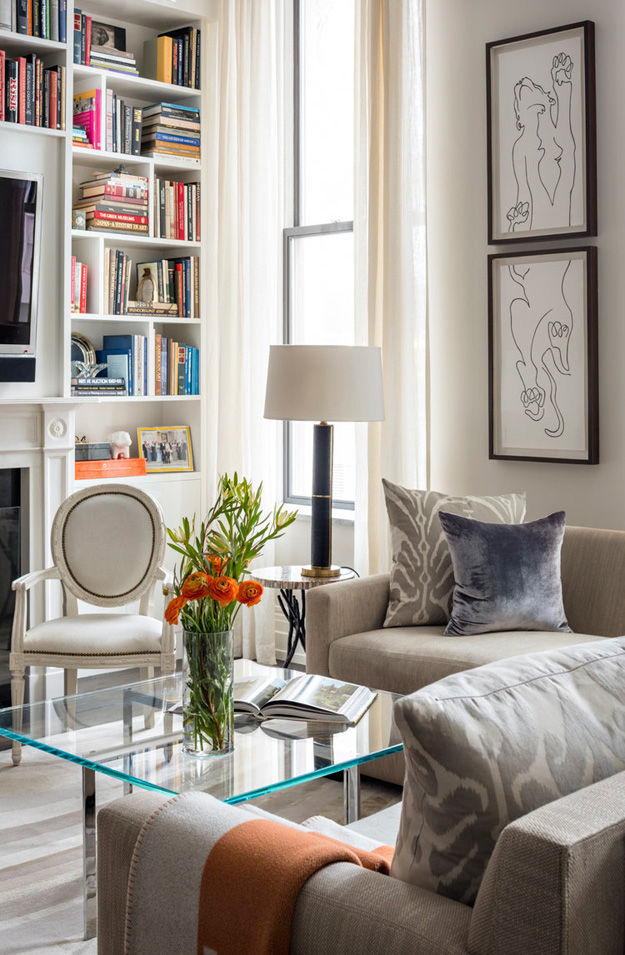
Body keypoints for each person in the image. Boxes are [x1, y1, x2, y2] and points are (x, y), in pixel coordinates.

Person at [506, 53, 576, 235]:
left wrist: (563, 90)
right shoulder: (521, 146)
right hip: (538, 215)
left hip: (558, 212)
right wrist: (516, 225)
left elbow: (568, 152)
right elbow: (524, 193)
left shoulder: (555, 137)